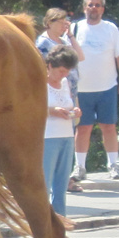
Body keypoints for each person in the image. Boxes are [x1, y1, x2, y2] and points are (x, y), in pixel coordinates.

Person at [72, 0, 119, 182]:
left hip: (107, 87)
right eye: (90, 5)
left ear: (103, 9)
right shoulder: (74, 29)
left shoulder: (111, 29)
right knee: (83, 128)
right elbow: (66, 58)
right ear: (84, 8)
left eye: (98, 5)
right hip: (82, 89)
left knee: (109, 127)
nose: (94, 8)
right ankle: (80, 166)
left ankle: (113, 165)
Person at [43, 46, 80, 226]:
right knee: (45, 183)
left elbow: (70, 103)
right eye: (61, 71)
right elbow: (30, 108)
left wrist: (75, 111)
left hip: (66, 136)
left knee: (61, 185)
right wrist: (52, 111)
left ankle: (60, 227)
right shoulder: (39, 82)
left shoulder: (65, 83)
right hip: (47, 137)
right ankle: (43, 227)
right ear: (50, 66)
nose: (64, 75)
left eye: (67, 71)